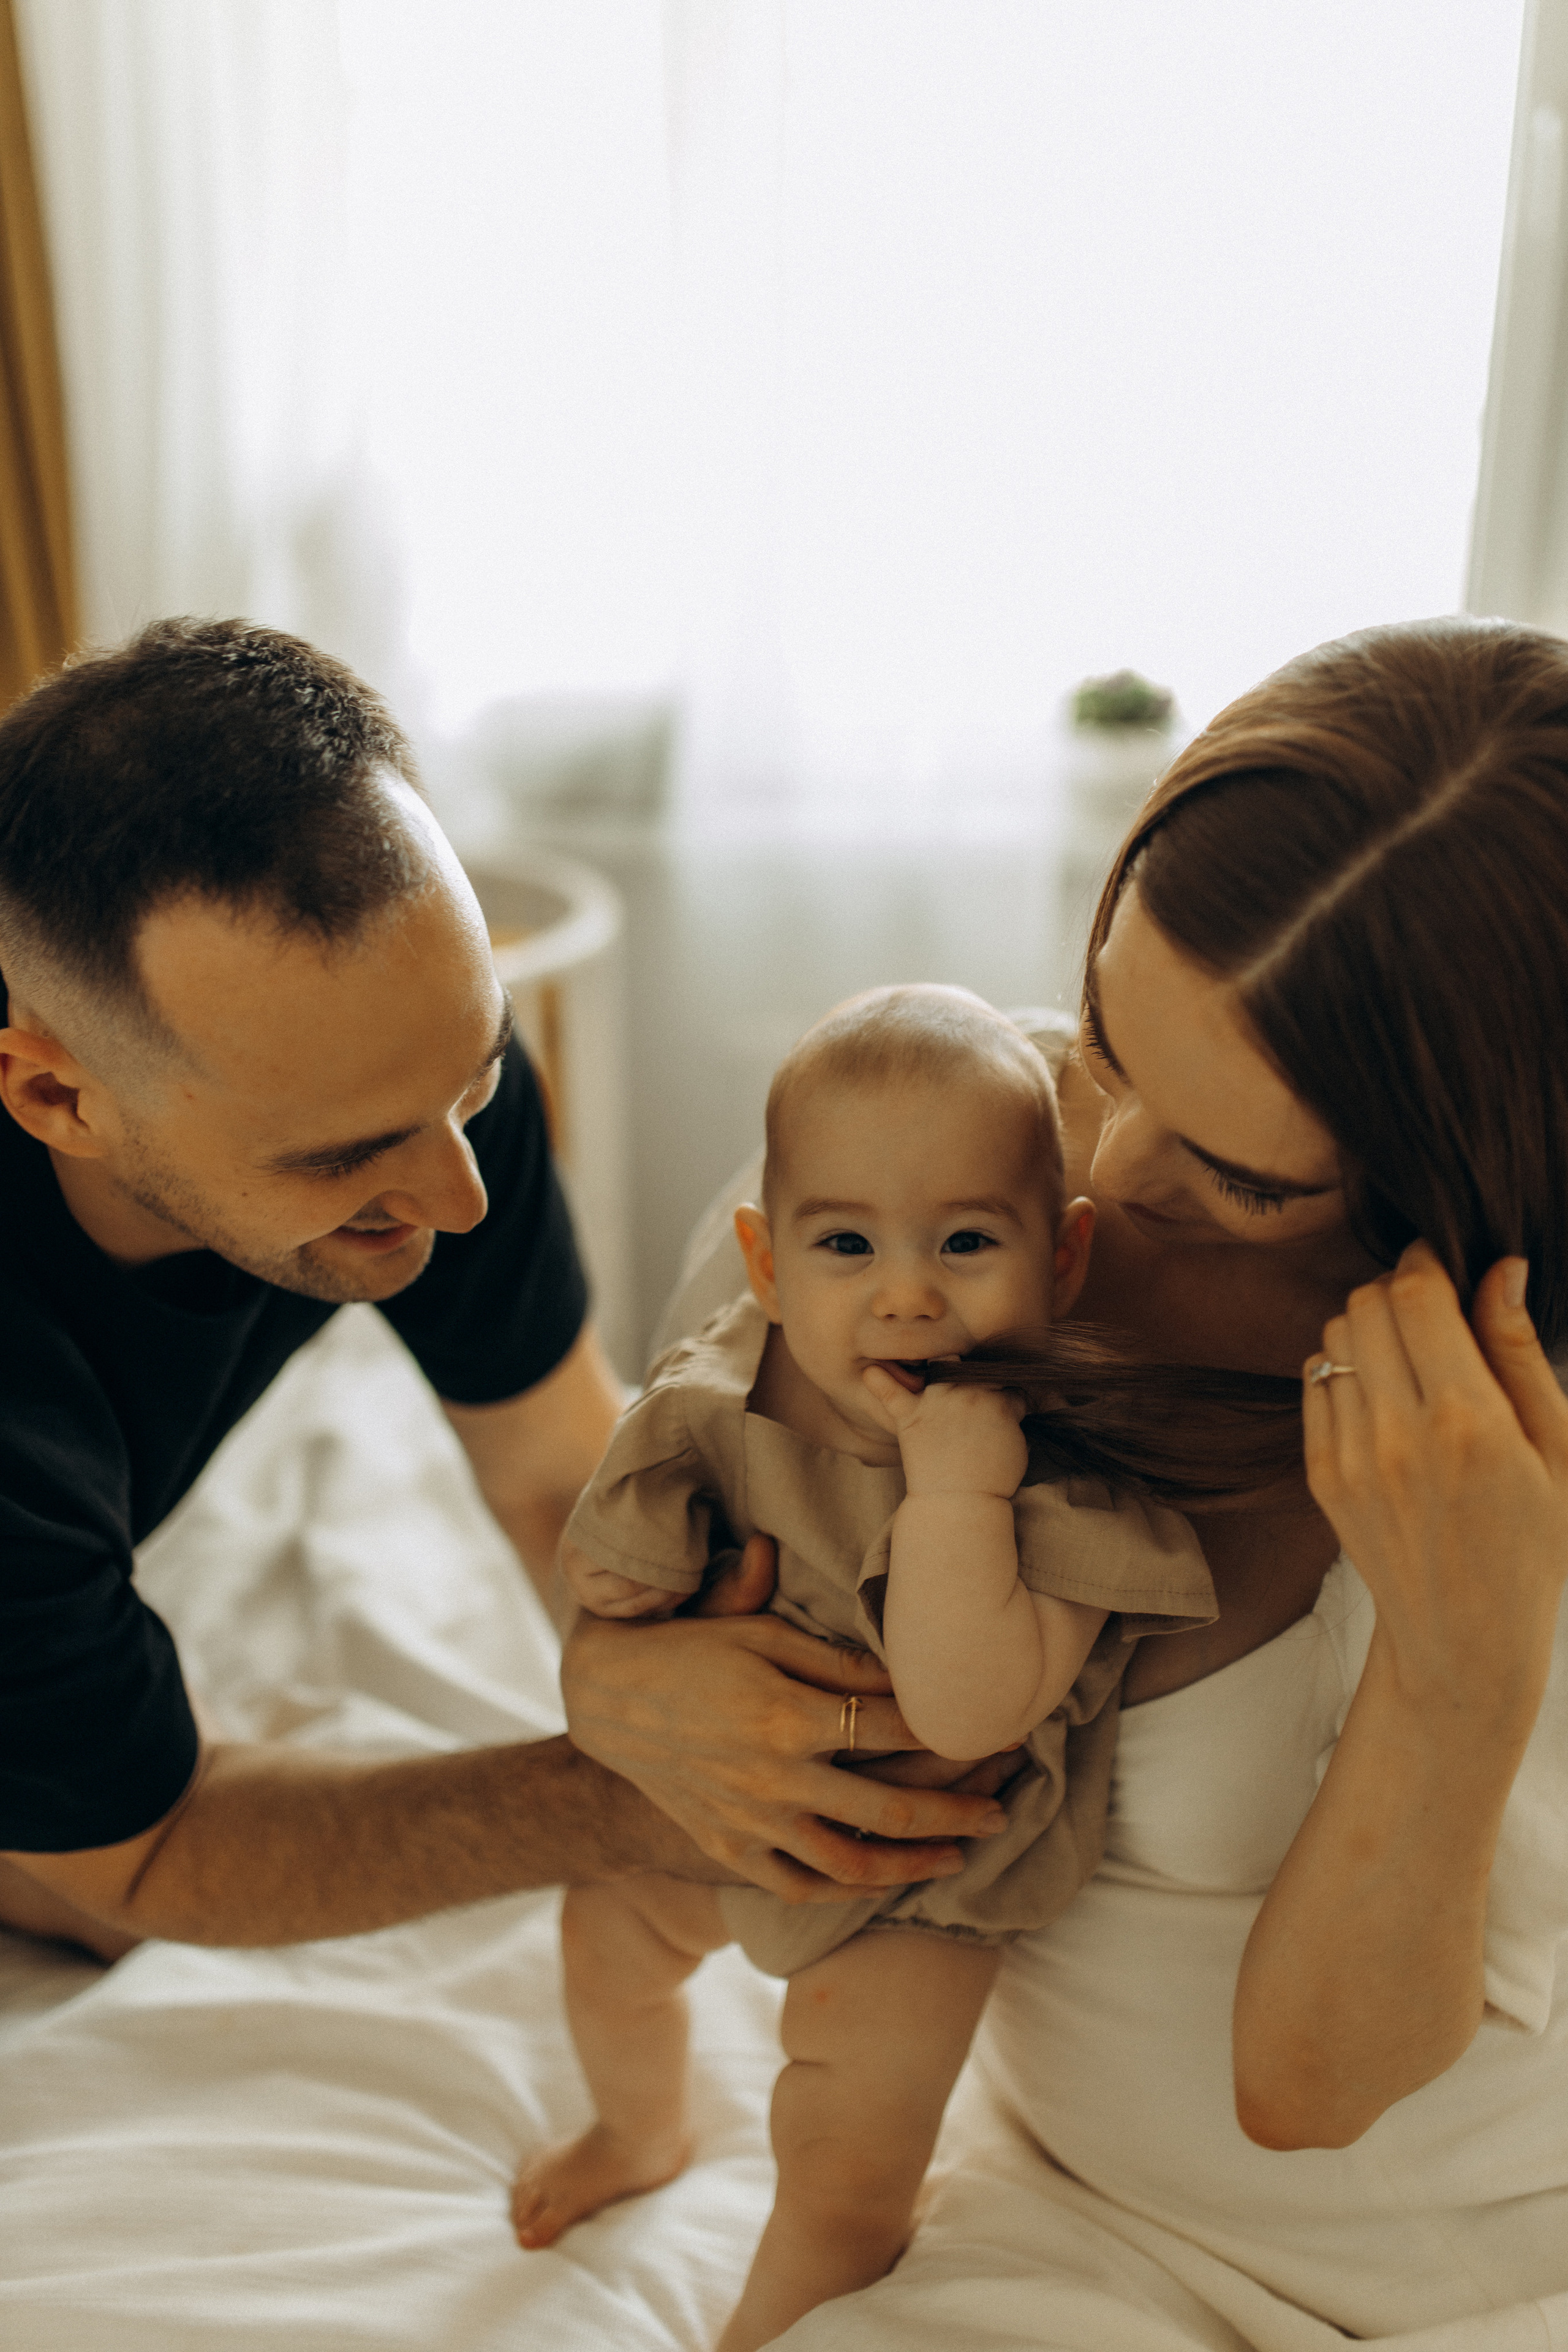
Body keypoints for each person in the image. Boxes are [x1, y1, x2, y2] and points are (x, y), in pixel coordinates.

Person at [559, 616, 1568, 2346]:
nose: (1106, 1152)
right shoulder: (938, 1151)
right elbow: (694, 1496)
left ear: (1450, 1179)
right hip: (1039, 2190)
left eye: (1244, 1176)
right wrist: (620, 1685)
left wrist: (1460, 1662)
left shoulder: (1488, 1448)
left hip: (1442, 2267)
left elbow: (1315, 2089)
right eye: (1113, 1032)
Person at [0, 619, 1006, 1966]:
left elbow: (547, 1467)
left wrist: (640, 1669)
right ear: (58, 1096)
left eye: (471, 1079)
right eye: (342, 1158)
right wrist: (626, 1798)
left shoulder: (404, 1073)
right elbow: (157, 1853)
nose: (459, 1197)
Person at [513, 984, 1226, 2351]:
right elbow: (625, 1529)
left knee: (842, 2155)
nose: (905, 1293)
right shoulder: (734, 1387)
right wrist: (621, 1586)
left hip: (918, 1874)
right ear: (767, 1265)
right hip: (720, 1796)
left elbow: (969, 1705)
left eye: (966, 1241)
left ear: (1061, 1261)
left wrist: (958, 1496)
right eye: (845, 1243)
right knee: (604, 1935)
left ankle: (765, 2329)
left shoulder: (1061, 1480)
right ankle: (636, 2125)